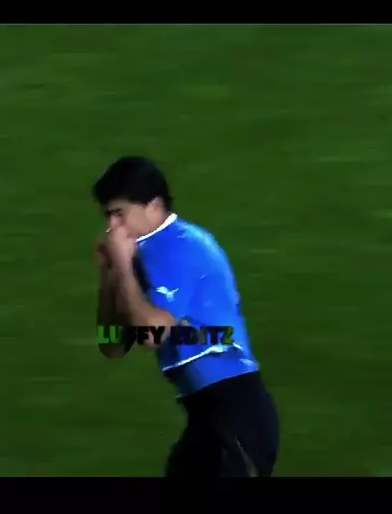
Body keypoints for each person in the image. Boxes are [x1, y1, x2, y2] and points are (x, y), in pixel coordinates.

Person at [93, 156, 279, 477]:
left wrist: (123, 266)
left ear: (153, 206)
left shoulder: (178, 247)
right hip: (206, 419)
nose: (112, 228)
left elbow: (151, 335)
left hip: (236, 417)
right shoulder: (145, 254)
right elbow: (112, 345)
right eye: (108, 216)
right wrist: (110, 276)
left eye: (119, 214)